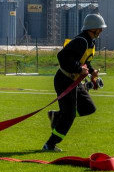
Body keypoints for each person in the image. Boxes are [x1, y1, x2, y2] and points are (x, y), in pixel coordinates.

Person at [44, 13, 106, 153]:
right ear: (92, 28)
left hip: (75, 82)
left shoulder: (90, 42)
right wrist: (79, 69)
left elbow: (84, 61)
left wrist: (91, 71)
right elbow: (62, 56)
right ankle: (50, 144)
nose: (101, 31)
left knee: (89, 108)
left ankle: (58, 116)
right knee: (69, 115)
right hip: (64, 80)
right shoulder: (81, 41)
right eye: (99, 28)